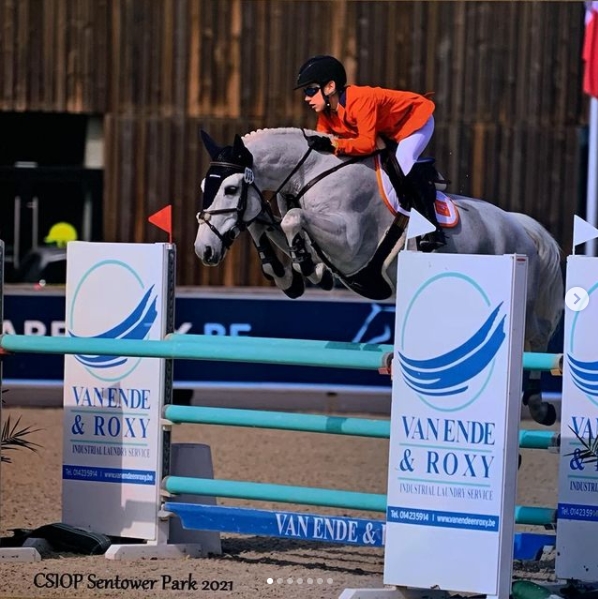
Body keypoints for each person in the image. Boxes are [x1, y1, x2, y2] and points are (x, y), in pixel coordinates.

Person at [294, 54, 445, 252]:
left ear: (329, 87)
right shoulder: (327, 114)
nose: (306, 98)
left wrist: (334, 145)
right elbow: (328, 147)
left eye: (311, 90)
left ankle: (433, 229)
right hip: (387, 130)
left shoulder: (361, 100)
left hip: (415, 121)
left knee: (403, 160)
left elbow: (366, 144)